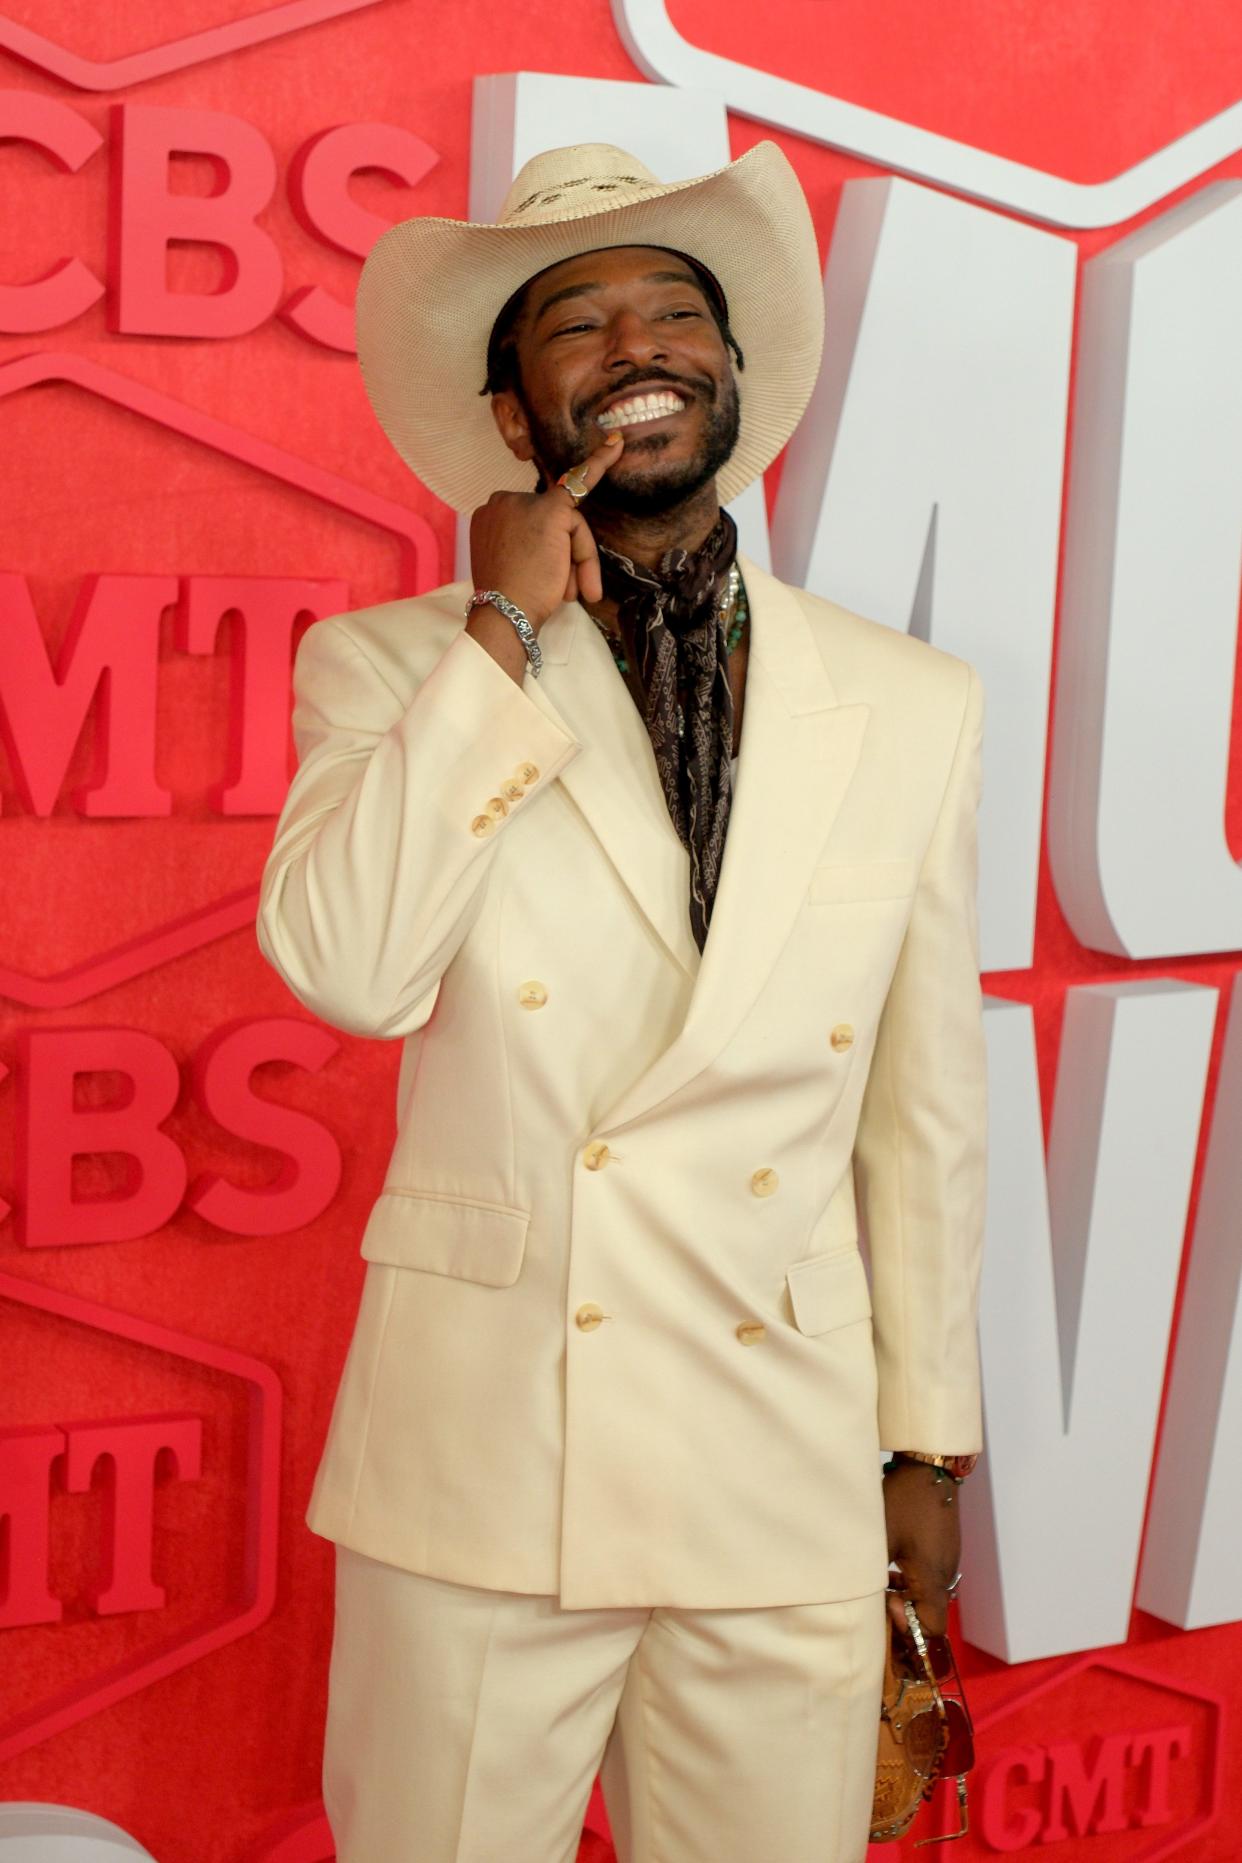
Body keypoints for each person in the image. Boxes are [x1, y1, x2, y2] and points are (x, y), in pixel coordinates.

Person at [257, 137, 987, 1863]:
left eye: (676, 309)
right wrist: (499, 630)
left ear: (732, 376)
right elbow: (353, 970)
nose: (637, 340)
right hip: (488, 1451)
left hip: (782, 1464)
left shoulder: (908, 700)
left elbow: (924, 1109)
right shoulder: (392, 667)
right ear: (514, 416)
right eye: (577, 322)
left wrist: (928, 1451)